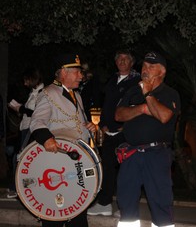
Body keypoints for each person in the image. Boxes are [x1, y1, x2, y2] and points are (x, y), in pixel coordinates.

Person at [114, 51, 181, 227]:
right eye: (144, 65)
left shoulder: (170, 94)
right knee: (126, 199)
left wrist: (148, 94)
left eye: (151, 67)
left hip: (157, 154)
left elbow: (164, 116)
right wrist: (143, 109)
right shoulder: (132, 91)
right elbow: (119, 114)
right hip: (131, 154)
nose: (145, 69)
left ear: (162, 71)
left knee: (160, 201)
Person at [30, 54, 96, 227]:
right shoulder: (48, 93)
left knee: (78, 207)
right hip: (56, 160)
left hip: (76, 161)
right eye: (77, 72)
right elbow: (37, 122)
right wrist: (46, 139)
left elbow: (75, 124)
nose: (81, 76)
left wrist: (89, 127)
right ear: (63, 73)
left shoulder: (77, 96)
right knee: (55, 210)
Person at [87, 50, 141, 216]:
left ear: (132, 62)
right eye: (119, 59)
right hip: (109, 133)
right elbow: (107, 104)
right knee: (107, 169)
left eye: (126, 59)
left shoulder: (138, 81)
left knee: (128, 172)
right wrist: (102, 124)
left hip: (126, 133)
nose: (122, 61)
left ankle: (126, 208)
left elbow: (139, 107)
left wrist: (126, 127)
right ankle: (104, 204)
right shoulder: (112, 80)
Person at [7, 67, 44, 198]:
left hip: (32, 129)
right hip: (25, 128)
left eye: (26, 81)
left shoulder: (42, 92)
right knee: (23, 159)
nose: (24, 84)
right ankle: (21, 187)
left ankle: (20, 188)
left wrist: (21, 108)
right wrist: (20, 110)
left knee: (24, 159)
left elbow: (36, 113)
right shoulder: (34, 92)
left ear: (32, 79)